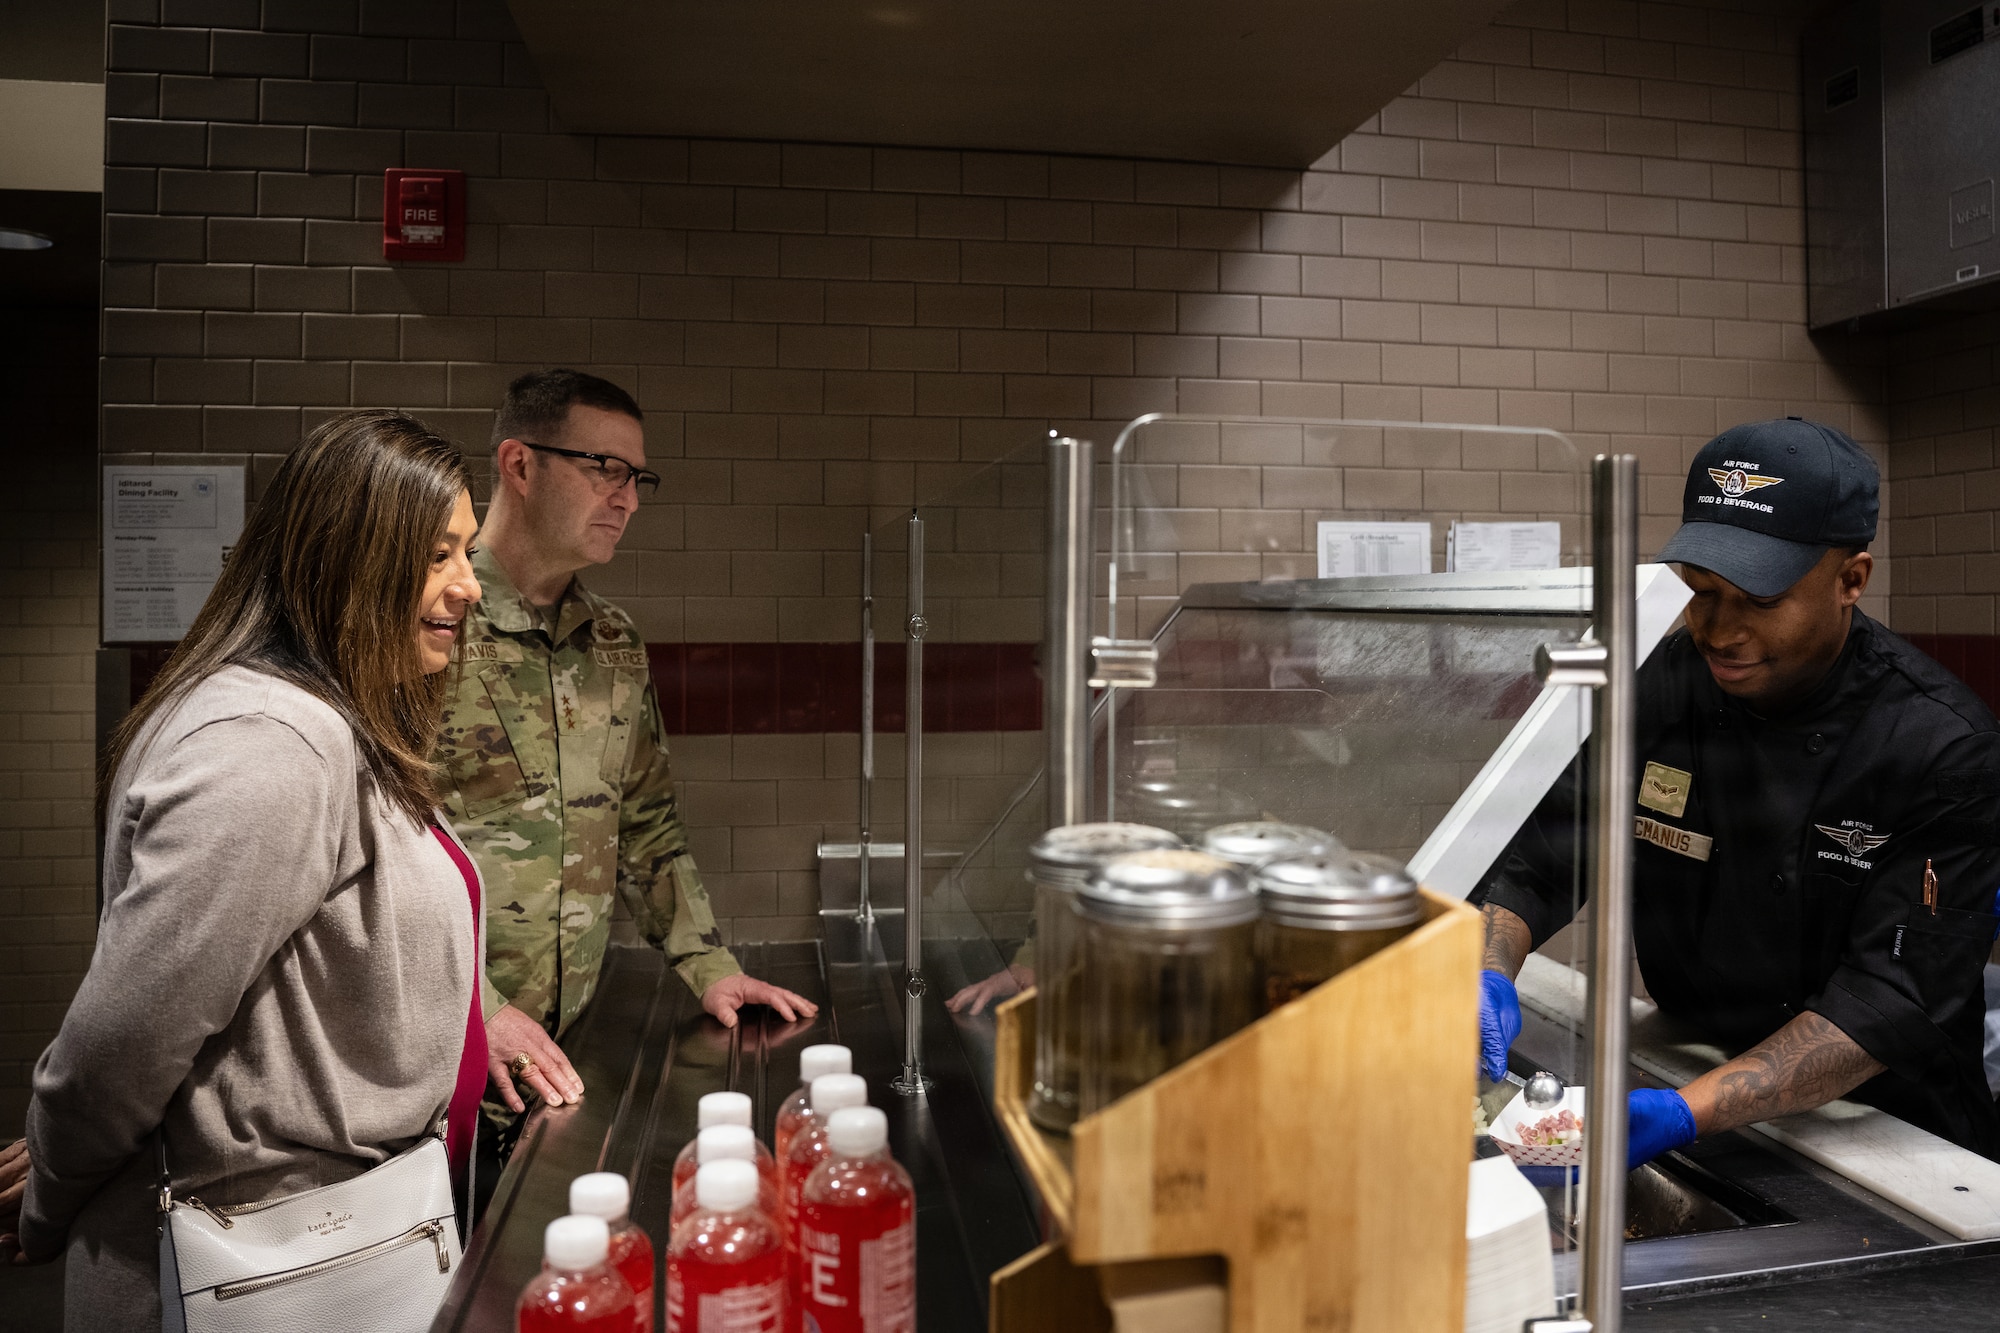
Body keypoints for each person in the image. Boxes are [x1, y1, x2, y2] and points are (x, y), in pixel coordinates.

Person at [15, 411, 488, 1325]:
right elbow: (123, 1039)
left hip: (334, 1236)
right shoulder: (272, 744)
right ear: (350, 556)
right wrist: (50, 1188)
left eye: (465, 552)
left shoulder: (329, 718)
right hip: (257, 1269)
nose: (468, 586)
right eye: (438, 554)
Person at [1476, 417, 2000, 1169]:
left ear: (1852, 578)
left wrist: (1686, 1112)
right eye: (1700, 591)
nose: (1716, 629)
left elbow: (1890, 1002)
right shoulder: (1664, 683)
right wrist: (1488, 968)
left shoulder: (1943, 745)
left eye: (1756, 598)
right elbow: (1544, 856)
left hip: (1892, 1140)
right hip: (1696, 1072)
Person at [435, 370, 814, 1150]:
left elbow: (647, 830)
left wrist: (708, 963)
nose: (629, 497)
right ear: (519, 464)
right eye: (605, 468)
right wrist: (475, 1006)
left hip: (555, 1066)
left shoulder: (612, 643)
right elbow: (371, 863)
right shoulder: (435, 624)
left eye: (638, 477)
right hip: (438, 1067)